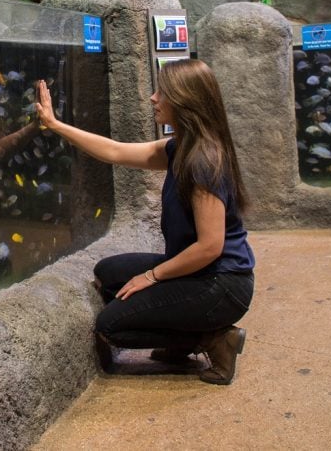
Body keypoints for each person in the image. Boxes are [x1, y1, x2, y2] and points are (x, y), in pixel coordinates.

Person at [35, 58, 254, 385]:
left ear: (184, 101)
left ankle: (212, 339)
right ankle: (185, 334)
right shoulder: (178, 148)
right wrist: (55, 124)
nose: (153, 98)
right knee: (108, 275)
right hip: (199, 273)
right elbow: (114, 152)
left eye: (162, 92)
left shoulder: (203, 162)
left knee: (111, 326)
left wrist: (152, 276)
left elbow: (210, 247)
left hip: (222, 284)